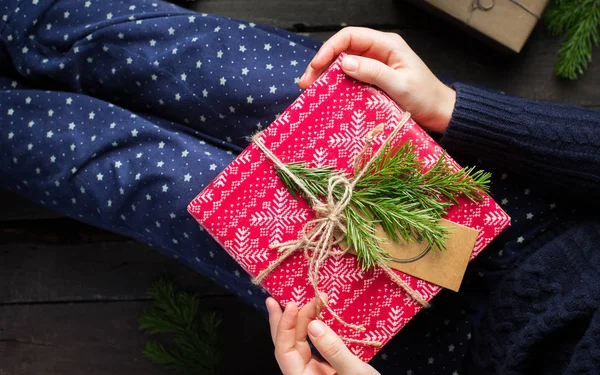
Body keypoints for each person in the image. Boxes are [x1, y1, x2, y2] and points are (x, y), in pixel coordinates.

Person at [1, 1, 598, 374]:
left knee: (144, 179)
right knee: (179, 55)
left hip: (429, 350)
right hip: (517, 192)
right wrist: (457, 110)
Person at [267, 28, 600, 375]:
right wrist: (451, 108)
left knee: (211, 196)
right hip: (514, 191)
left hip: (417, 345)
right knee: (224, 65)